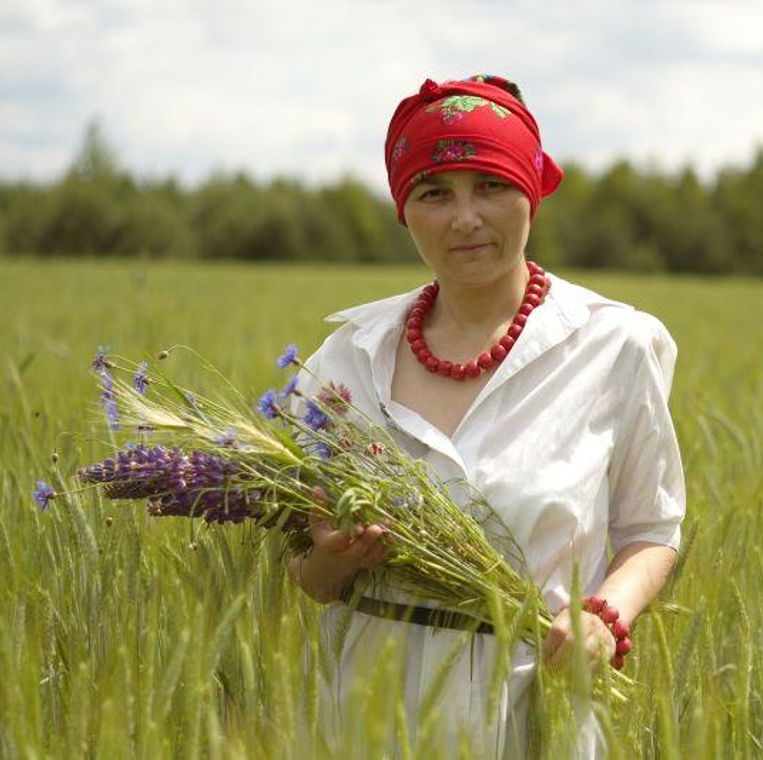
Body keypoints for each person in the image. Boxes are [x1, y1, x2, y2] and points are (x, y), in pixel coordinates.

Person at [287, 74, 685, 758]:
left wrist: (602, 616)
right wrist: (328, 561)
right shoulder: (342, 361)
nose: (464, 218)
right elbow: (306, 578)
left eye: (491, 185)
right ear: (404, 210)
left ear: (531, 192)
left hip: (534, 710)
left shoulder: (615, 345)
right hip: (365, 712)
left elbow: (652, 530)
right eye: (434, 193)